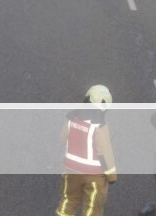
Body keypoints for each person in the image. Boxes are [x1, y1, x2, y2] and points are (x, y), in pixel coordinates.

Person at [56, 85, 117, 216]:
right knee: (92, 208)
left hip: (71, 171)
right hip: (94, 176)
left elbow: (62, 138)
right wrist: (112, 176)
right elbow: (105, 153)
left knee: (69, 200)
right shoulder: (100, 125)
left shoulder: (72, 116)